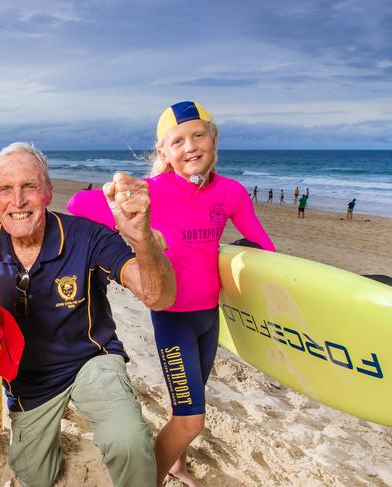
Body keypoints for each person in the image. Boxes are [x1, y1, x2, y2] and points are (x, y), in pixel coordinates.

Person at [67, 101, 275, 487]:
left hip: (208, 317)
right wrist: (118, 211)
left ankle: (177, 464)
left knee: (190, 405)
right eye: (177, 141)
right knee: (191, 418)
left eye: (199, 135)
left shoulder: (230, 193)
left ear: (214, 140)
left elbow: (264, 245)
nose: (191, 146)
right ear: (163, 153)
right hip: (172, 318)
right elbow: (78, 204)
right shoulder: (150, 191)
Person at [0, 142, 176, 487]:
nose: (18, 200)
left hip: (90, 359)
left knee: (128, 439)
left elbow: (159, 298)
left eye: (30, 187)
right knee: (35, 476)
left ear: (48, 192)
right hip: (29, 383)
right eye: (6, 189)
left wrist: (142, 238)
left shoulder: (87, 236)